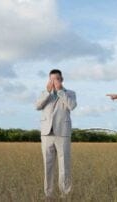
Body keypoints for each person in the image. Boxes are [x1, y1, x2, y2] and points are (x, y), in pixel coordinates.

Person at [35, 69, 77, 199]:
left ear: (62, 79)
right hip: (47, 134)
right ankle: (48, 194)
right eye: (51, 79)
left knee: (64, 165)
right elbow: (37, 106)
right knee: (48, 165)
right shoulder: (44, 93)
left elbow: (72, 106)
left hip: (63, 133)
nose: (54, 82)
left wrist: (60, 92)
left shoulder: (70, 93)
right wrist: (48, 92)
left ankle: (65, 194)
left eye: (57, 79)